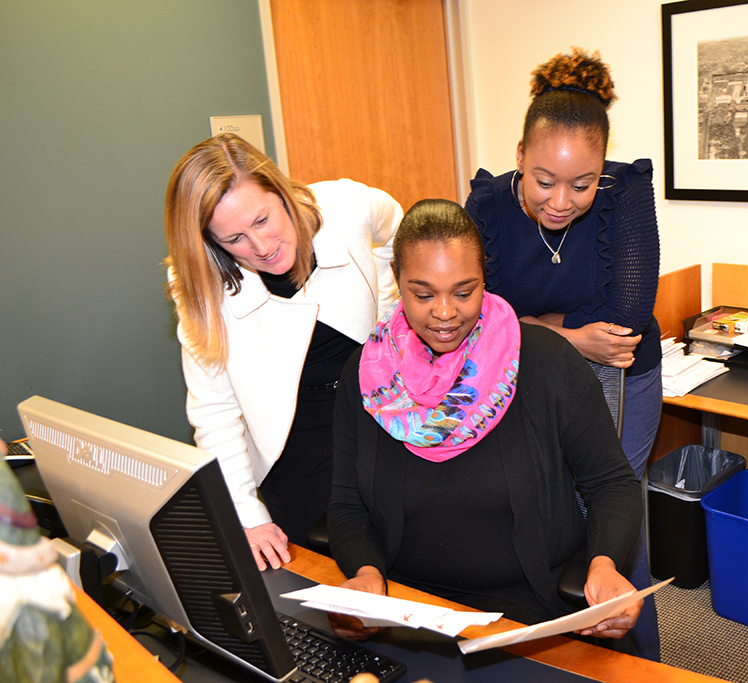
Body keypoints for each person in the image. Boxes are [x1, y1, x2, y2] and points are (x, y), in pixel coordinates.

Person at [326, 199, 643, 642]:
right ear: (396, 278)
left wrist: (604, 564)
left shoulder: (547, 361)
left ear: (484, 279)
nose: (444, 312)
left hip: (528, 611)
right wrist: (365, 575)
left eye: (463, 291)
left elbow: (612, 483)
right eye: (422, 293)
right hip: (408, 606)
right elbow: (347, 504)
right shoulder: (370, 374)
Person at [464, 48, 662, 659]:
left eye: (581, 183)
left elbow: (626, 317)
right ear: (519, 157)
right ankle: (563, 656)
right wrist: (571, 335)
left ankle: (638, 660)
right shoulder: (489, 205)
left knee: (612, 512)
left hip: (620, 376)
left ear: (602, 165)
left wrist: (525, 321)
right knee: (544, 510)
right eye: (544, 180)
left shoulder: (625, 191)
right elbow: (475, 316)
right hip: (530, 376)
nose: (561, 200)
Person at [164, 134, 401, 571]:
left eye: (262, 219)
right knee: (314, 575)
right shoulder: (200, 287)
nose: (260, 247)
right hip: (291, 445)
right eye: (234, 238)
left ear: (280, 191)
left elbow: (395, 227)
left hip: (373, 414)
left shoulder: (343, 207)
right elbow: (214, 413)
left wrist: (388, 308)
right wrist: (248, 517)